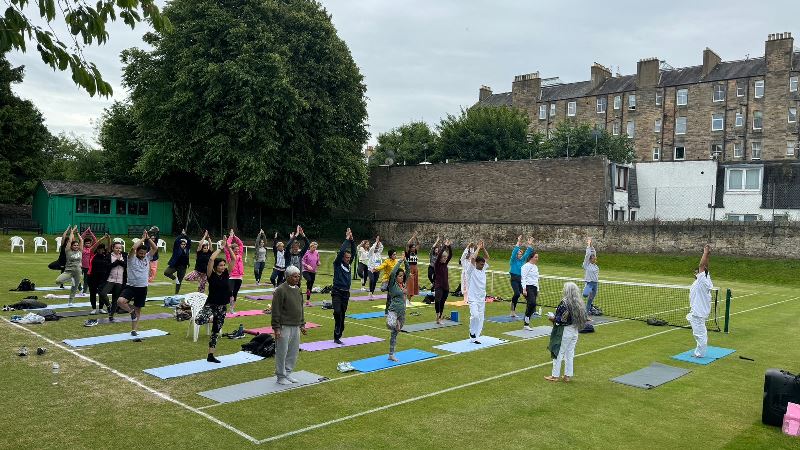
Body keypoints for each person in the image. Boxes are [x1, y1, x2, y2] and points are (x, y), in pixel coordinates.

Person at [116, 230, 158, 336]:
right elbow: (133, 248)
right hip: (131, 286)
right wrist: (143, 239)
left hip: (142, 287)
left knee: (138, 309)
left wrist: (148, 238)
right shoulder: (131, 258)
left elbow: (155, 248)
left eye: (144, 253)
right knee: (120, 301)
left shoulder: (147, 257)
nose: (142, 255)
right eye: (140, 253)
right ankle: (131, 311)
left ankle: (134, 330)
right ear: (137, 253)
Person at [546, 282, 588, 382]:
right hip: (575, 330)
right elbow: (583, 317)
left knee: (558, 352)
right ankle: (567, 376)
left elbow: (562, 320)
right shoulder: (579, 303)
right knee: (570, 353)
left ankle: (555, 376)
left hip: (565, 331)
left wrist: (552, 318)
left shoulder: (564, 303)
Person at [272, 265, 307, 385]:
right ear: (287, 277)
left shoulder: (298, 289)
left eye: (298, 276)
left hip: (296, 325)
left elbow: (300, 308)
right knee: (282, 351)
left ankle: (287, 373)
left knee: (293, 351)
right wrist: (276, 328)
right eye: (294, 276)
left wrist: (302, 324)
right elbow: (276, 310)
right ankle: (280, 375)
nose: (297, 278)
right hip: (284, 326)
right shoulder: (280, 290)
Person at [197, 248, 232, 363]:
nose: (223, 267)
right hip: (211, 304)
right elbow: (211, 259)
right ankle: (187, 312)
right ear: (216, 266)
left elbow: (234, 259)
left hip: (222, 307)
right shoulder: (211, 275)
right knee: (199, 320)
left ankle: (210, 355)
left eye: (224, 265)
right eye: (220, 265)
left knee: (216, 331)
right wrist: (221, 248)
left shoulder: (227, 274)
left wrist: (229, 247)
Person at [688, 244, 713, 358]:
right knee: (699, 332)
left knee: (700, 334)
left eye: (697, 271)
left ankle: (699, 354)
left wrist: (705, 251)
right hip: (698, 312)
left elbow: (702, 265)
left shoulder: (702, 279)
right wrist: (707, 255)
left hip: (698, 313)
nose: (696, 272)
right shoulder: (706, 279)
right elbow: (705, 266)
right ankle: (700, 352)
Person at [331, 228, 356, 344]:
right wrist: (346, 240)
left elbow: (354, 253)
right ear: (342, 257)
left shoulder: (349, 265)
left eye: (349, 258)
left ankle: (338, 335)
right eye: (346, 257)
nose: (348, 259)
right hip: (337, 291)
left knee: (342, 314)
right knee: (337, 312)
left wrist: (352, 241)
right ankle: (337, 330)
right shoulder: (337, 264)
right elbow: (341, 252)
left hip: (346, 293)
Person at [464, 240, 490, 344]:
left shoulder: (483, 269)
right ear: (476, 264)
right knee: (475, 316)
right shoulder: (471, 270)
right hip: (473, 298)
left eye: (483, 264)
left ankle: (475, 337)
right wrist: (478, 247)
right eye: (481, 264)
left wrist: (483, 248)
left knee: (480, 318)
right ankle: (472, 332)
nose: (483, 265)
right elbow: (473, 258)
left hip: (481, 298)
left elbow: (487, 258)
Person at [386, 256, 410, 361]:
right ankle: (395, 323)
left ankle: (391, 355)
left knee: (395, 333)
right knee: (391, 325)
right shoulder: (393, 285)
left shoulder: (403, 284)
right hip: (393, 311)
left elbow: (408, 271)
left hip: (402, 312)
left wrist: (406, 261)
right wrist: (400, 261)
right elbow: (392, 273)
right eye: (399, 276)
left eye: (402, 276)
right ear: (396, 277)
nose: (401, 277)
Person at [55, 226, 83, 306]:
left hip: (78, 272)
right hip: (68, 271)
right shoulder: (68, 251)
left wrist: (77, 232)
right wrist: (72, 232)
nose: (76, 246)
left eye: (77, 245)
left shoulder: (80, 251)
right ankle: (71, 279)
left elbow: (81, 240)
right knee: (58, 281)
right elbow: (70, 240)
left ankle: (70, 302)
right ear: (71, 246)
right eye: (74, 245)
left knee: (74, 288)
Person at [100, 240, 127, 322]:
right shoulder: (109, 256)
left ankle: (111, 315)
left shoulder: (124, 255)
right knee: (103, 293)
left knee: (115, 299)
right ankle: (108, 305)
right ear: (113, 248)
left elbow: (126, 265)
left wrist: (120, 261)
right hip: (110, 279)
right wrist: (117, 262)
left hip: (120, 280)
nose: (118, 250)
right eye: (116, 248)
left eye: (120, 248)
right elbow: (107, 266)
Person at [508, 235, 534, 318]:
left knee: (526, 295)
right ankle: (512, 311)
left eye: (520, 254)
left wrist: (530, 244)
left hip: (521, 281)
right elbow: (514, 251)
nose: (520, 255)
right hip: (514, 280)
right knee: (516, 294)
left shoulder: (523, 260)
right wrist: (518, 241)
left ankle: (531, 310)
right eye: (518, 254)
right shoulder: (513, 261)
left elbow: (528, 252)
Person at [86, 235, 111, 315]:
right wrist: (101, 239)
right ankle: (93, 308)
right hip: (92, 277)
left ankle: (101, 308)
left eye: (102, 249)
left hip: (102, 277)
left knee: (102, 293)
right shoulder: (92, 254)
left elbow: (109, 247)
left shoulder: (105, 255)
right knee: (92, 293)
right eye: (99, 249)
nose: (101, 250)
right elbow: (94, 246)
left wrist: (109, 239)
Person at [164, 229, 191, 295]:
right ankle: (175, 278)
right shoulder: (176, 248)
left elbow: (189, 241)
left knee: (179, 281)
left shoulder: (187, 249)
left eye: (184, 244)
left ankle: (176, 294)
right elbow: (176, 241)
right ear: (180, 245)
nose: (183, 245)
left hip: (183, 267)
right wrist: (181, 235)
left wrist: (185, 236)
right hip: (175, 265)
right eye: (182, 244)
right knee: (166, 272)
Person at [223, 229, 244, 313]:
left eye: (238, 249)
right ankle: (225, 303)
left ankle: (232, 308)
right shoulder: (229, 255)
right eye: (235, 249)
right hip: (231, 276)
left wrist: (235, 237)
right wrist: (231, 237)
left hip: (239, 277)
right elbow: (227, 245)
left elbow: (241, 244)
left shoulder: (240, 254)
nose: (237, 250)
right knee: (230, 292)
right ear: (232, 250)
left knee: (235, 293)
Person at [433, 239, 453, 324]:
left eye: (446, 257)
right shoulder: (437, 264)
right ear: (440, 258)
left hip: (446, 286)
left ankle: (440, 318)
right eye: (444, 257)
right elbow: (439, 254)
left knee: (443, 302)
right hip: (438, 286)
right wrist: (444, 246)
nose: (445, 258)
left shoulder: (445, 264)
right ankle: (438, 316)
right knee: (437, 300)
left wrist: (449, 246)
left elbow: (451, 255)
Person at [521, 252, 540, 330]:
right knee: (532, 303)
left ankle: (526, 323)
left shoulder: (535, 267)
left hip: (534, 288)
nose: (537, 259)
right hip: (528, 287)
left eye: (537, 257)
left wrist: (538, 289)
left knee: (532, 306)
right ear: (531, 258)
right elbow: (523, 278)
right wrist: (524, 289)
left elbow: (536, 279)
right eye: (535, 257)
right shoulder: (525, 266)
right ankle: (526, 322)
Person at [376, 249, 399, 313]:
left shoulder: (396, 261)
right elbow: (382, 266)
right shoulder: (387, 261)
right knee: (383, 289)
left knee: (390, 297)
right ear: (390, 255)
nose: (395, 255)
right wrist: (376, 269)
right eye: (394, 254)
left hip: (393, 281)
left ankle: (388, 310)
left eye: (395, 254)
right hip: (386, 280)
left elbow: (400, 269)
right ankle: (385, 287)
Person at [583, 237, 600, 314]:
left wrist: (591, 244)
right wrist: (588, 244)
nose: (595, 259)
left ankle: (586, 313)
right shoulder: (587, 264)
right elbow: (588, 254)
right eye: (593, 258)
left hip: (595, 284)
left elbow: (593, 252)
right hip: (589, 284)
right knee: (585, 295)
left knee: (590, 299)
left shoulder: (595, 266)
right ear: (590, 259)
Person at [302, 241, 321, 306]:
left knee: (310, 287)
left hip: (313, 272)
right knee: (309, 280)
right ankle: (308, 282)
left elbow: (318, 260)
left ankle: (307, 300)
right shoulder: (306, 253)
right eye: (313, 247)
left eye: (315, 247)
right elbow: (302, 261)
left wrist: (318, 263)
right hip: (305, 271)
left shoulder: (317, 253)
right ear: (310, 247)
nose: (314, 249)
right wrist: (307, 266)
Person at [79, 227, 98, 294]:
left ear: (90, 244)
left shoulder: (92, 249)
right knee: (77, 278)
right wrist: (86, 231)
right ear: (84, 244)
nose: (87, 244)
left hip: (88, 267)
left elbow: (95, 240)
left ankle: (84, 291)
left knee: (86, 280)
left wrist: (91, 233)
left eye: (89, 243)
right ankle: (79, 287)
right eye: (86, 243)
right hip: (80, 266)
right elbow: (81, 238)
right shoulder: (82, 248)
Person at [404, 233, 420, 305]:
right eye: (412, 247)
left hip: (415, 268)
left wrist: (416, 238)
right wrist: (412, 237)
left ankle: (409, 300)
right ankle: (407, 300)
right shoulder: (407, 253)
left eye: (414, 247)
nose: (414, 248)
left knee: (414, 285)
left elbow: (418, 244)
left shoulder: (415, 252)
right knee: (410, 284)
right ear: (410, 248)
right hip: (409, 269)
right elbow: (407, 244)